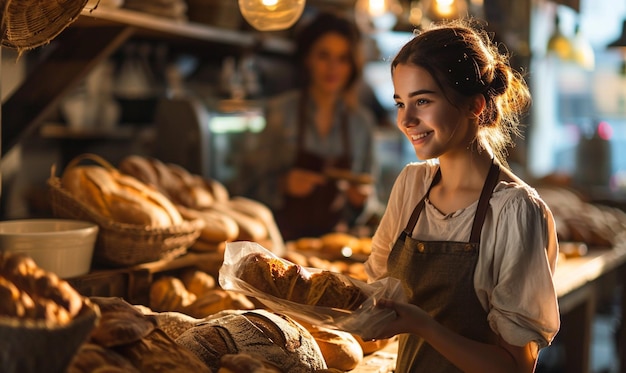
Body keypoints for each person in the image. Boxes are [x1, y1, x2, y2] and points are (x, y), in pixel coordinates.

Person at [363, 19, 560, 372]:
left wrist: (421, 325)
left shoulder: (514, 211)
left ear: (475, 106)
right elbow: (378, 294)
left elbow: (515, 367)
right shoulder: (411, 186)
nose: (406, 119)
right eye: (399, 103)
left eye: (422, 100)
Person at [249, 11, 378, 241]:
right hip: (280, 244)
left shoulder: (361, 124)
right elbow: (246, 188)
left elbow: (369, 200)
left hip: (336, 246)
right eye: (323, 56)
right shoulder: (279, 112)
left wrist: (362, 200)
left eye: (343, 58)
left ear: (352, 66)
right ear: (307, 58)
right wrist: (282, 184)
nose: (333, 68)